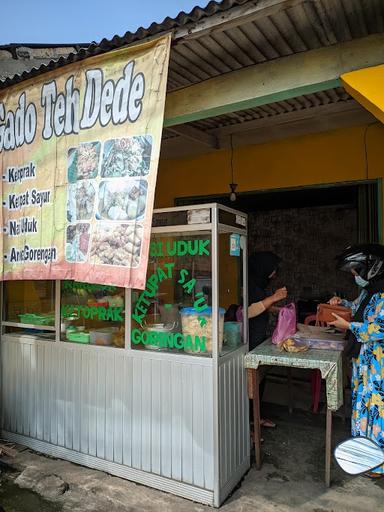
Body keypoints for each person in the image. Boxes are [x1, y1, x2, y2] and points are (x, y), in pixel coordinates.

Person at [329, 244, 384, 478]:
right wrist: (343, 304)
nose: (355, 275)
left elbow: (379, 327)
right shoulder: (370, 290)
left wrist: (348, 326)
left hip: (378, 365)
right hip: (364, 361)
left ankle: (378, 463)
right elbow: (359, 309)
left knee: (377, 410)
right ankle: (363, 456)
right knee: (363, 406)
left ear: (373, 267)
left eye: (356, 270)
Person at [248, 251, 288, 428]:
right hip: (247, 339)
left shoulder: (257, 283)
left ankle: (256, 417)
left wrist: (277, 309)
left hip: (257, 335)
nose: (274, 274)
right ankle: (250, 421)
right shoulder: (247, 284)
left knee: (260, 378)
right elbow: (248, 311)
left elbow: (259, 305)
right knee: (250, 382)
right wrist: (274, 298)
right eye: (272, 270)